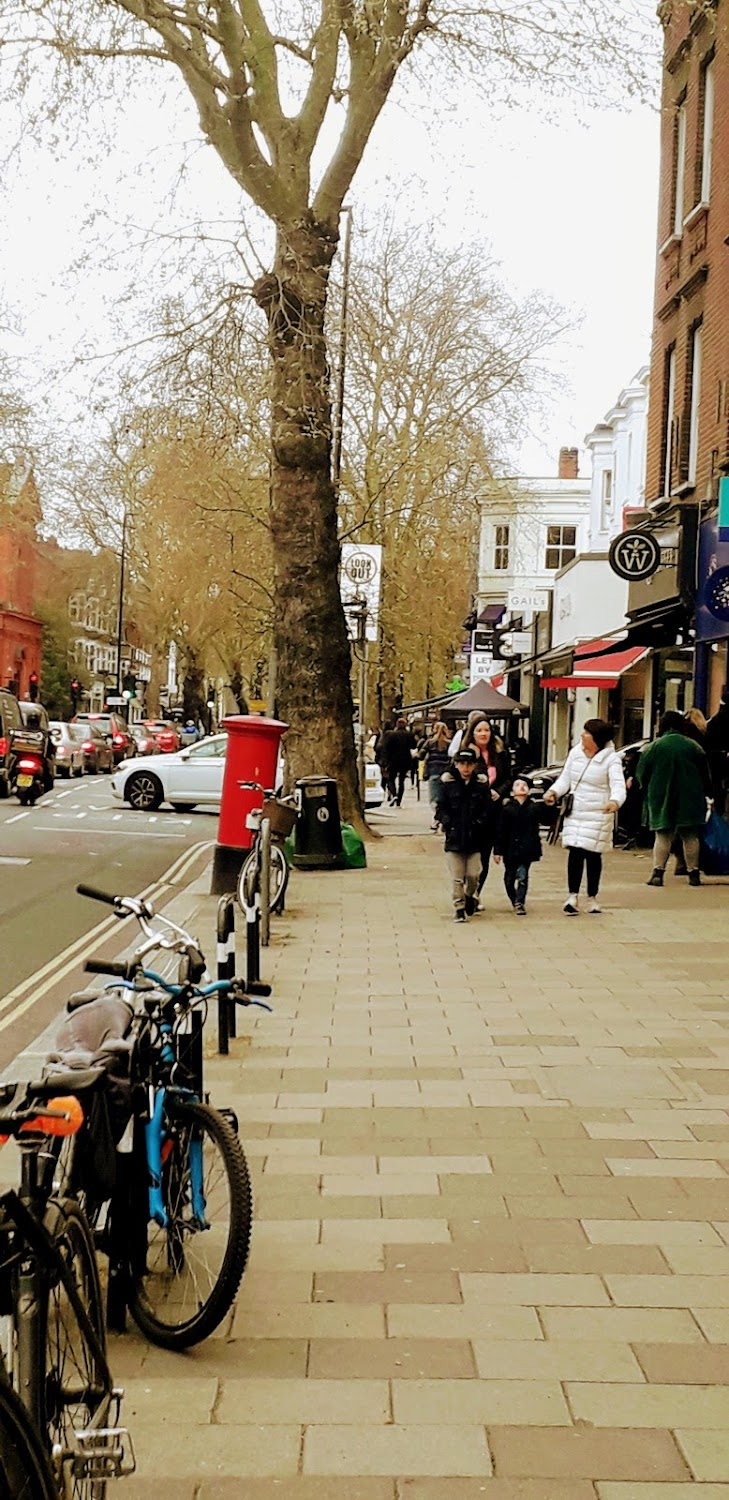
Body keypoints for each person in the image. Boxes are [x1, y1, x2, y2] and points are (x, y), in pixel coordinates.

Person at [544, 718, 625, 915]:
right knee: (575, 852)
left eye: (587, 733)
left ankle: (592, 897)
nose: (582, 735)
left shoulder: (611, 759)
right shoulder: (575, 753)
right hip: (576, 811)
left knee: (593, 854)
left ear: (597, 738)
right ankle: (572, 896)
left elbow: (618, 784)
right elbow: (566, 778)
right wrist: (554, 792)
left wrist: (615, 801)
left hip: (598, 813)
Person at [636, 710, 712, 888]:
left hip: (661, 795)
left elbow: (642, 773)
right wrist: (708, 792)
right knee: (690, 835)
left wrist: (646, 788)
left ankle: (658, 873)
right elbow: (705, 773)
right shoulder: (693, 746)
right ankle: (693, 873)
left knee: (663, 835)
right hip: (690, 796)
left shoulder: (654, 747)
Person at [435, 747, 493, 921]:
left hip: (475, 838)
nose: (465, 768)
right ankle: (459, 907)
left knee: (474, 875)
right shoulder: (448, 784)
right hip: (454, 838)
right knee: (457, 877)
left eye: (469, 764)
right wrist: (447, 822)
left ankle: (470, 895)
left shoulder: (481, 786)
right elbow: (441, 807)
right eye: (462, 764)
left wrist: (480, 823)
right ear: (456, 765)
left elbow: (487, 808)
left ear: (474, 766)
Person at [459, 714, 512, 897]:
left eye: (487, 730)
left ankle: (476, 894)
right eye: (479, 730)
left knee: (484, 855)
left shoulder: (499, 752)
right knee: (470, 855)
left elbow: (508, 777)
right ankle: (467, 888)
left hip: (493, 812)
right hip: (473, 811)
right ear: (472, 733)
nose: (483, 734)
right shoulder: (467, 754)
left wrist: (499, 790)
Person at [493, 777, 543, 915]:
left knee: (522, 875)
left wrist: (549, 804)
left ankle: (520, 902)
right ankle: (514, 899)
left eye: (524, 785)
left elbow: (546, 819)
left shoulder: (534, 807)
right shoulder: (507, 809)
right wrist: (497, 851)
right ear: (512, 791)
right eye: (517, 785)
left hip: (527, 849)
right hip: (510, 850)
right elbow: (500, 831)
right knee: (509, 878)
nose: (521, 787)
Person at [379, 717, 417, 806]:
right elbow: (414, 746)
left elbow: (386, 748)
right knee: (401, 781)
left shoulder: (392, 735)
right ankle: (399, 801)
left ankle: (394, 794)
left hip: (393, 760)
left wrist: (385, 760)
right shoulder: (409, 735)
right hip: (405, 760)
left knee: (391, 778)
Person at [422, 721, 453, 831]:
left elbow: (421, 754)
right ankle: (442, 819)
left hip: (433, 772)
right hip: (446, 774)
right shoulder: (449, 743)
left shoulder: (430, 743)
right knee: (444, 798)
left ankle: (438, 819)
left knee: (434, 799)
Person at [705, 689, 729, 815]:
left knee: (717, 788)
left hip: (715, 760)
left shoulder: (713, 722)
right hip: (723, 758)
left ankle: (719, 811)